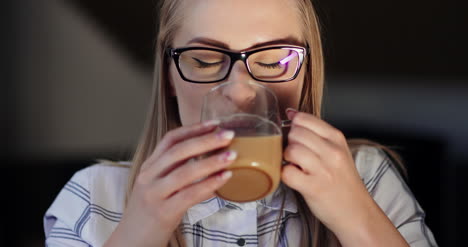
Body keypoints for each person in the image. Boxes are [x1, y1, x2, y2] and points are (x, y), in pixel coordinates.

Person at [43, 0, 438, 246]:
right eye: (204, 60)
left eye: (273, 61)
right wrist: (139, 232)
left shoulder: (365, 179)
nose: (242, 92)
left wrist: (357, 220)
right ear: (168, 76)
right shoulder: (94, 198)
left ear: (307, 72)